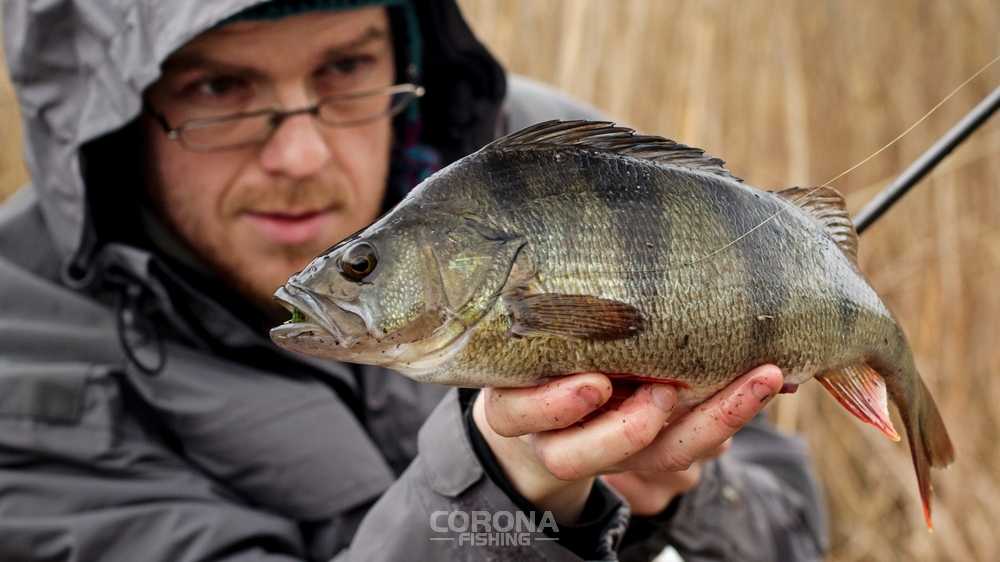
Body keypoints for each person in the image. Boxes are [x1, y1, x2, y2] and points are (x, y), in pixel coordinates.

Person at [0, 1, 828, 560]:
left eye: (345, 68)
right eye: (219, 87)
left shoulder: (554, 160)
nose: (303, 156)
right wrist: (494, 487)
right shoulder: (19, 352)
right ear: (113, 120)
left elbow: (793, 525)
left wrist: (668, 496)